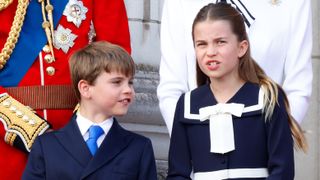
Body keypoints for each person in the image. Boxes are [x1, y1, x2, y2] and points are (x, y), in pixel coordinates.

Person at [166, 3, 307, 179]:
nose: (210, 52)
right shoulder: (186, 105)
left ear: (242, 47)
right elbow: (178, 174)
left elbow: (282, 171)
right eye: (201, 44)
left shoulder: (268, 99)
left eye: (220, 42)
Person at [0, 0, 131, 179]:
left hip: (78, 143)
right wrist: (32, 131)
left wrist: (77, 132)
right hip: (7, 147)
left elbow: (116, 66)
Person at [157, 0, 313, 135]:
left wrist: (272, 145)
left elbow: (298, 87)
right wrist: (193, 146)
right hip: (198, 154)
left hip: (263, 154)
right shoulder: (178, 3)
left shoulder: (295, 3)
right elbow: (171, 88)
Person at [22, 41, 157, 180]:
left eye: (130, 83)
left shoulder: (139, 147)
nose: (128, 90)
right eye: (117, 82)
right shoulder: (47, 146)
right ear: (85, 88)